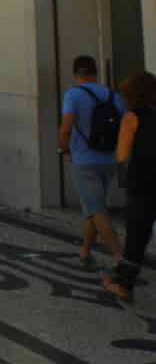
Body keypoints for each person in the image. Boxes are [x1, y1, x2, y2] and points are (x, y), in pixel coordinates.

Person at [60, 54, 125, 267]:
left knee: (97, 210)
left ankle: (119, 258)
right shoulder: (112, 95)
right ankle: (85, 252)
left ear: (76, 74)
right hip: (109, 159)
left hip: (85, 161)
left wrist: (64, 149)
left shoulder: (73, 95)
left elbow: (66, 126)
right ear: (95, 72)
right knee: (92, 206)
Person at [105, 71, 156, 301]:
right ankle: (118, 279)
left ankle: (123, 285)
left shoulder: (132, 117)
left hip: (143, 183)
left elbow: (122, 155)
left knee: (137, 235)